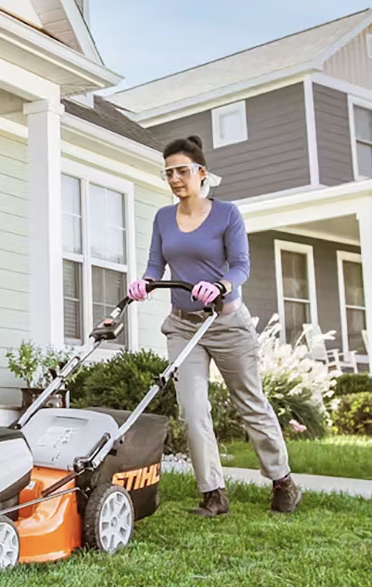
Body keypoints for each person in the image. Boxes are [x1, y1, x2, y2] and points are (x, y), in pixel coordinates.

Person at [128, 135, 301, 516]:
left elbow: (241, 266)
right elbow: (156, 265)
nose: (175, 179)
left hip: (226, 323)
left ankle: (282, 480)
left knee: (250, 402)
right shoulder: (163, 218)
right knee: (192, 410)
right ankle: (213, 493)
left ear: (201, 173)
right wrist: (144, 282)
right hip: (183, 326)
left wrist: (220, 285)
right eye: (168, 173)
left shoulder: (227, 214)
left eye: (182, 171)